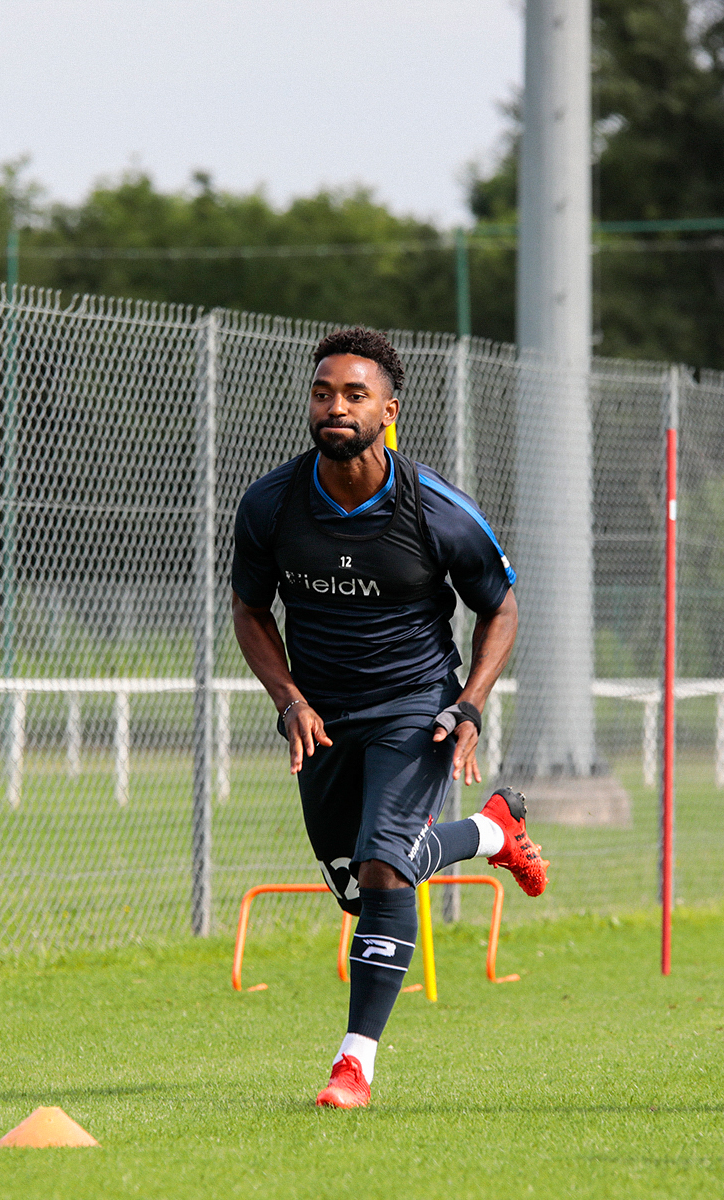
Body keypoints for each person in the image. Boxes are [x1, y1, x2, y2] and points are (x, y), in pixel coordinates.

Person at [230, 327, 548, 1110]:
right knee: (358, 890)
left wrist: (469, 701)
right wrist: (290, 701)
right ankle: (489, 832)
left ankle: (354, 1064)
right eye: (322, 392)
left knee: (383, 868)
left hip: (415, 709)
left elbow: (500, 608)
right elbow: (248, 608)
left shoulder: (436, 510)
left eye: (354, 394)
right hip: (323, 716)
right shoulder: (270, 503)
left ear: (388, 409)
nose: (335, 406)